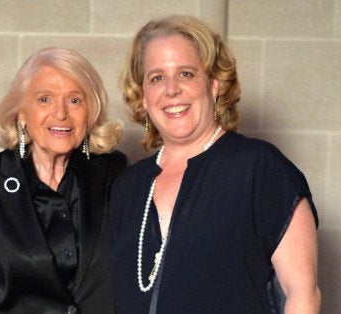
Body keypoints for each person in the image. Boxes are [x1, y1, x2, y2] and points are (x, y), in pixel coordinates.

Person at [110, 15, 320, 313]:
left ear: (213, 85)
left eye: (185, 74)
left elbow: (302, 291)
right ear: (143, 97)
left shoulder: (259, 168)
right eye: (157, 77)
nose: (171, 90)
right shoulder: (127, 186)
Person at [0, 47, 127, 313]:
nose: (61, 113)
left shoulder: (116, 173)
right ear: (21, 113)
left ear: (91, 112)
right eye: (45, 99)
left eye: (75, 100)